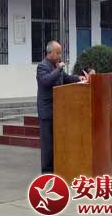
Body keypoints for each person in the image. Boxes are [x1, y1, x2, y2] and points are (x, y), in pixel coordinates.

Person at [36, 41, 89, 173]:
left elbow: (66, 78)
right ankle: (47, 172)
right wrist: (58, 69)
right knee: (48, 144)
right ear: (49, 53)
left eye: (60, 53)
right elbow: (46, 81)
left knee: (58, 142)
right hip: (47, 111)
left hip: (60, 110)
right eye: (58, 53)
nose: (60, 56)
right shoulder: (42, 66)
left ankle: (58, 168)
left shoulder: (56, 66)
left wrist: (79, 78)